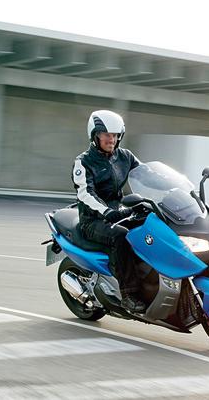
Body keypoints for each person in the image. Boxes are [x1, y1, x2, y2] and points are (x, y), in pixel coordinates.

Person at [71, 109, 146, 313]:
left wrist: (173, 190)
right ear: (95, 135)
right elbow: (85, 194)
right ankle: (129, 295)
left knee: (151, 226)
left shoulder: (125, 156)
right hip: (93, 220)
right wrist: (106, 212)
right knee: (121, 236)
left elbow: (146, 175)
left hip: (119, 212)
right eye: (106, 135)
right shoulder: (83, 162)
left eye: (115, 135)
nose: (111, 139)